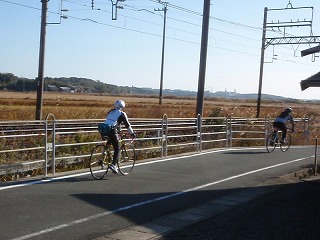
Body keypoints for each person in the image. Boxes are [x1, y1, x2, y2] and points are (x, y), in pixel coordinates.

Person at [98, 100, 136, 174]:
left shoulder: (110, 112)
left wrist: (119, 131)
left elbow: (113, 122)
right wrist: (132, 134)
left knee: (110, 142)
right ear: (122, 106)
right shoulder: (122, 114)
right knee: (117, 148)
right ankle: (113, 165)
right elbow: (127, 125)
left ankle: (103, 156)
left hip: (104, 130)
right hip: (112, 130)